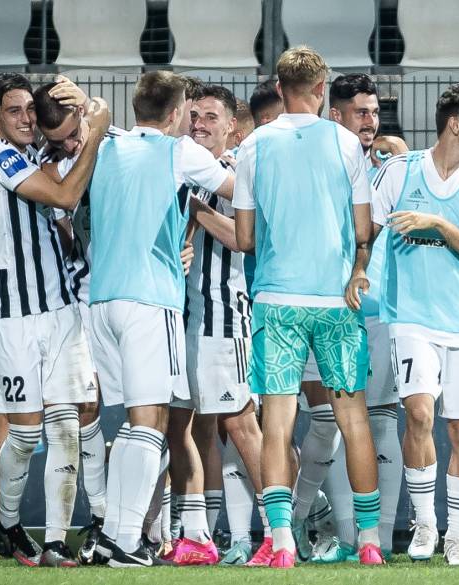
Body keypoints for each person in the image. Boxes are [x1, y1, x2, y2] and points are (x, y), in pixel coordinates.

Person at [233, 46, 383, 568]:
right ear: (322, 90)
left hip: (277, 301)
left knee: (277, 422)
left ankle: (281, 543)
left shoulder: (252, 145)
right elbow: (363, 229)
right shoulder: (346, 142)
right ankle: (369, 541)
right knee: (353, 420)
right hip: (336, 301)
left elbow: (245, 238)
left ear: (279, 88)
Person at [87, 71, 233, 568]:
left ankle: (111, 534)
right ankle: (126, 541)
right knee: (152, 423)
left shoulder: (106, 145)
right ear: (175, 114)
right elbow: (238, 189)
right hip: (150, 298)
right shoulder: (180, 151)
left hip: (102, 301)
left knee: (134, 424)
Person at [0, 72, 109, 567]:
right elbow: (65, 196)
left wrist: (83, 111)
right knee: (26, 435)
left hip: (61, 310)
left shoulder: (30, 156)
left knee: (68, 422)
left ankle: (55, 541)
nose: (28, 119)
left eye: (30, 109)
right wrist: (97, 130)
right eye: (14, 111)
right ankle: (8, 523)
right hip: (13, 316)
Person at [372, 83, 459, 565]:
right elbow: (364, 230)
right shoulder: (399, 172)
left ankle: (457, 536)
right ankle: (426, 524)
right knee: (420, 415)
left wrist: (440, 224)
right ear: (455, 123)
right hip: (410, 318)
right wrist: (359, 270)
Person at [304, 73, 404, 564]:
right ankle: (330, 528)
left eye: (375, 112)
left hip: (380, 308)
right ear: (335, 115)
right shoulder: (318, 162)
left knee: (379, 421)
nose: (371, 121)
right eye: (361, 112)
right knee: (329, 423)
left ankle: (378, 539)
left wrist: (401, 157)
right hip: (324, 304)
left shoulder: (393, 166)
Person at [33, 76, 124, 565]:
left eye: (73, 134)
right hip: (79, 302)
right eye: (59, 140)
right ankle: (101, 519)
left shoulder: (115, 141)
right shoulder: (45, 164)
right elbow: (65, 220)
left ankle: (159, 525)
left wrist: (95, 111)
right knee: (82, 410)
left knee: (160, 415)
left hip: (133, 298)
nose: (70, 145)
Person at [179, 83, 270, 566]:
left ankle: (278, 529)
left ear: (232, 127)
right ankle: (200, 533)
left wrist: (195, 210)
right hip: (181, 315)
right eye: (194, 116)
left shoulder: (236, 172)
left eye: (211, 117)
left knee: (240, 423)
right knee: (191, 426)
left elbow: (241, 237)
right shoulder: (181, 168)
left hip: (223, 314)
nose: (199, 125)